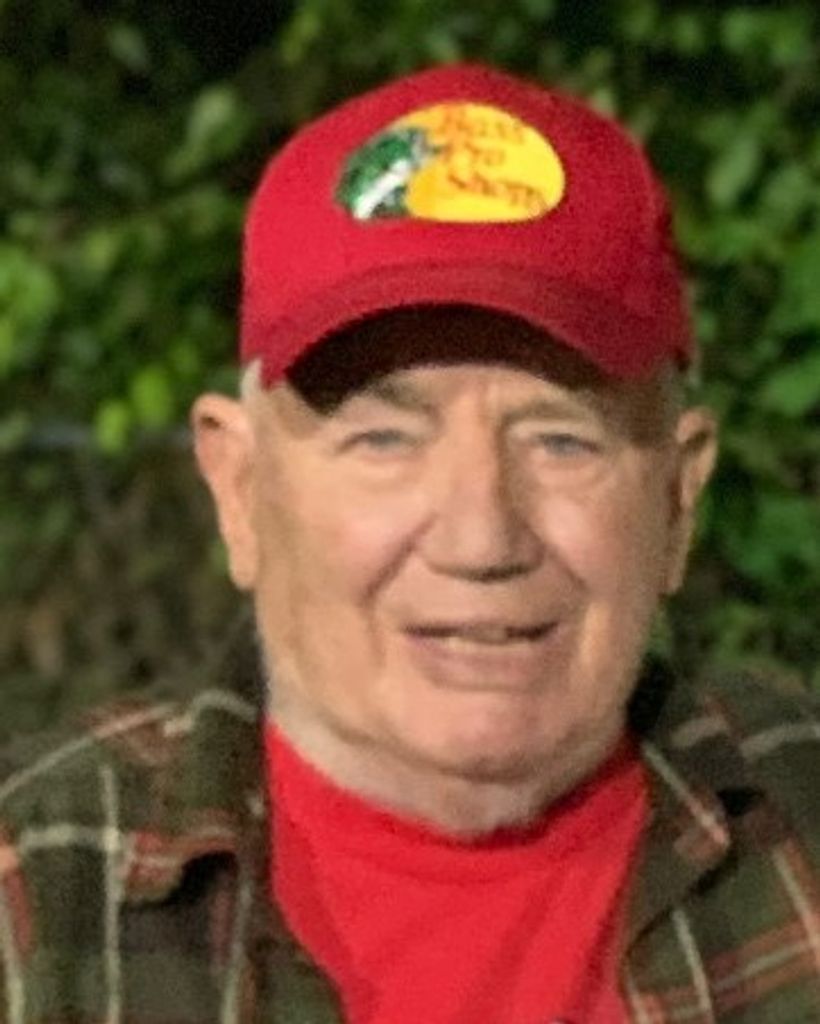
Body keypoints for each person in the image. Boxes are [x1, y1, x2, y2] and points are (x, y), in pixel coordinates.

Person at [0, 63, 817, 1024]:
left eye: (562, 440)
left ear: (678, 500)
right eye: (384, 440)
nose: (481, 537)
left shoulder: (798, 829)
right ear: (241, 490)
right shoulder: (35, 892)